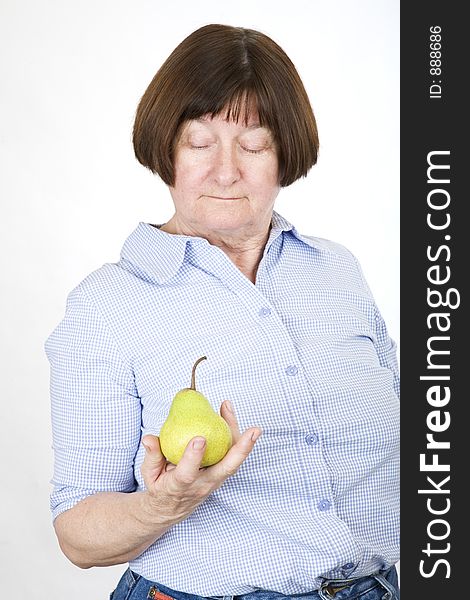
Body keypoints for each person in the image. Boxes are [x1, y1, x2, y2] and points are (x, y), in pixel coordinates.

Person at [46, 24, 400, 600]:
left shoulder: (336, 271)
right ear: (166, 151)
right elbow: (78, 537)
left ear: (286, 155)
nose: (227, 170)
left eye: (254, 145)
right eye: (199, 142)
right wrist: (164, 504)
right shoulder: (107, 305)